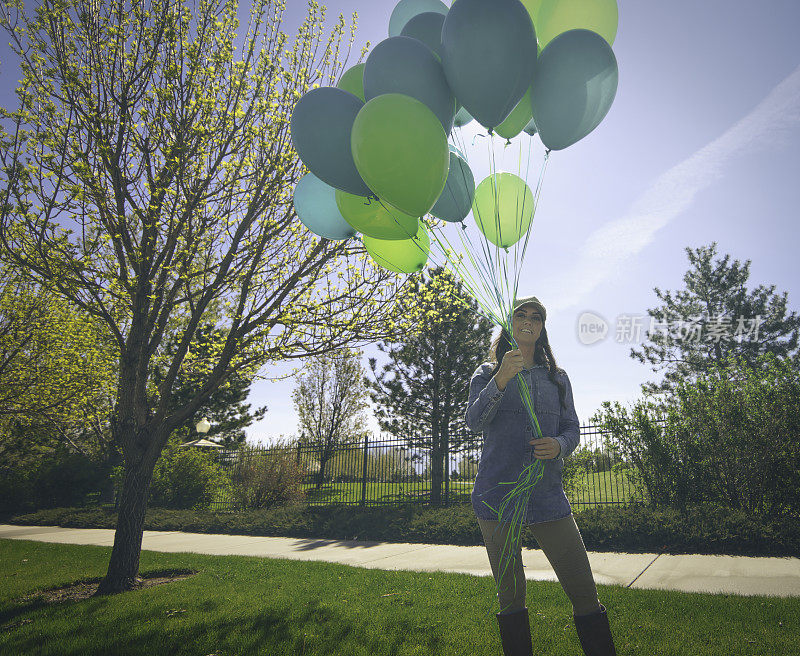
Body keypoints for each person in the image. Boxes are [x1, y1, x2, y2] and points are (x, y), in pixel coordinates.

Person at [464, 296, 617, 656]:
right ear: (510, 323)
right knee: (511, 596)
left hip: (547, 497)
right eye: (522, 314)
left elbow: (571, 428)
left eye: (537, 317)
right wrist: (502, 376)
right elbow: (474, 422)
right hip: (496, 498)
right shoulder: (486, 373)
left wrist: (560, 445)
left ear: (542, 327)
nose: (529, 320)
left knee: (583, 590)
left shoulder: (557, 378)